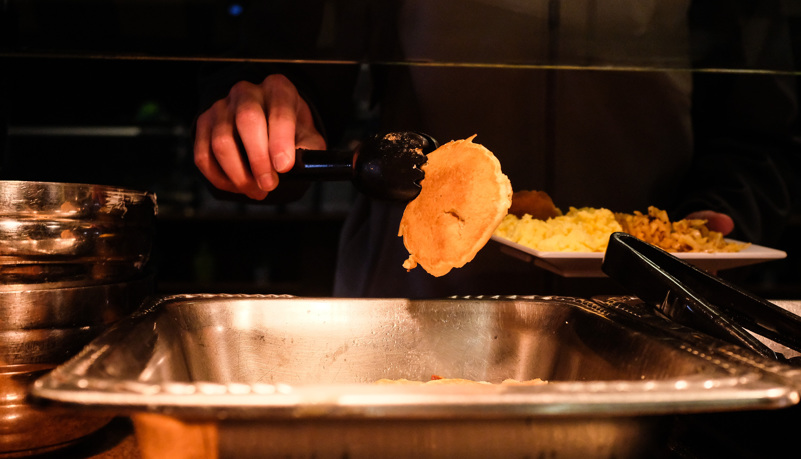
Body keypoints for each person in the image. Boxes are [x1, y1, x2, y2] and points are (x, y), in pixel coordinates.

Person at [194, 0, 800, 298]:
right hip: (415, 291)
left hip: (653, 295)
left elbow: (763, 122)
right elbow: (306, 74)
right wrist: (268, 115)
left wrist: (723, 211)